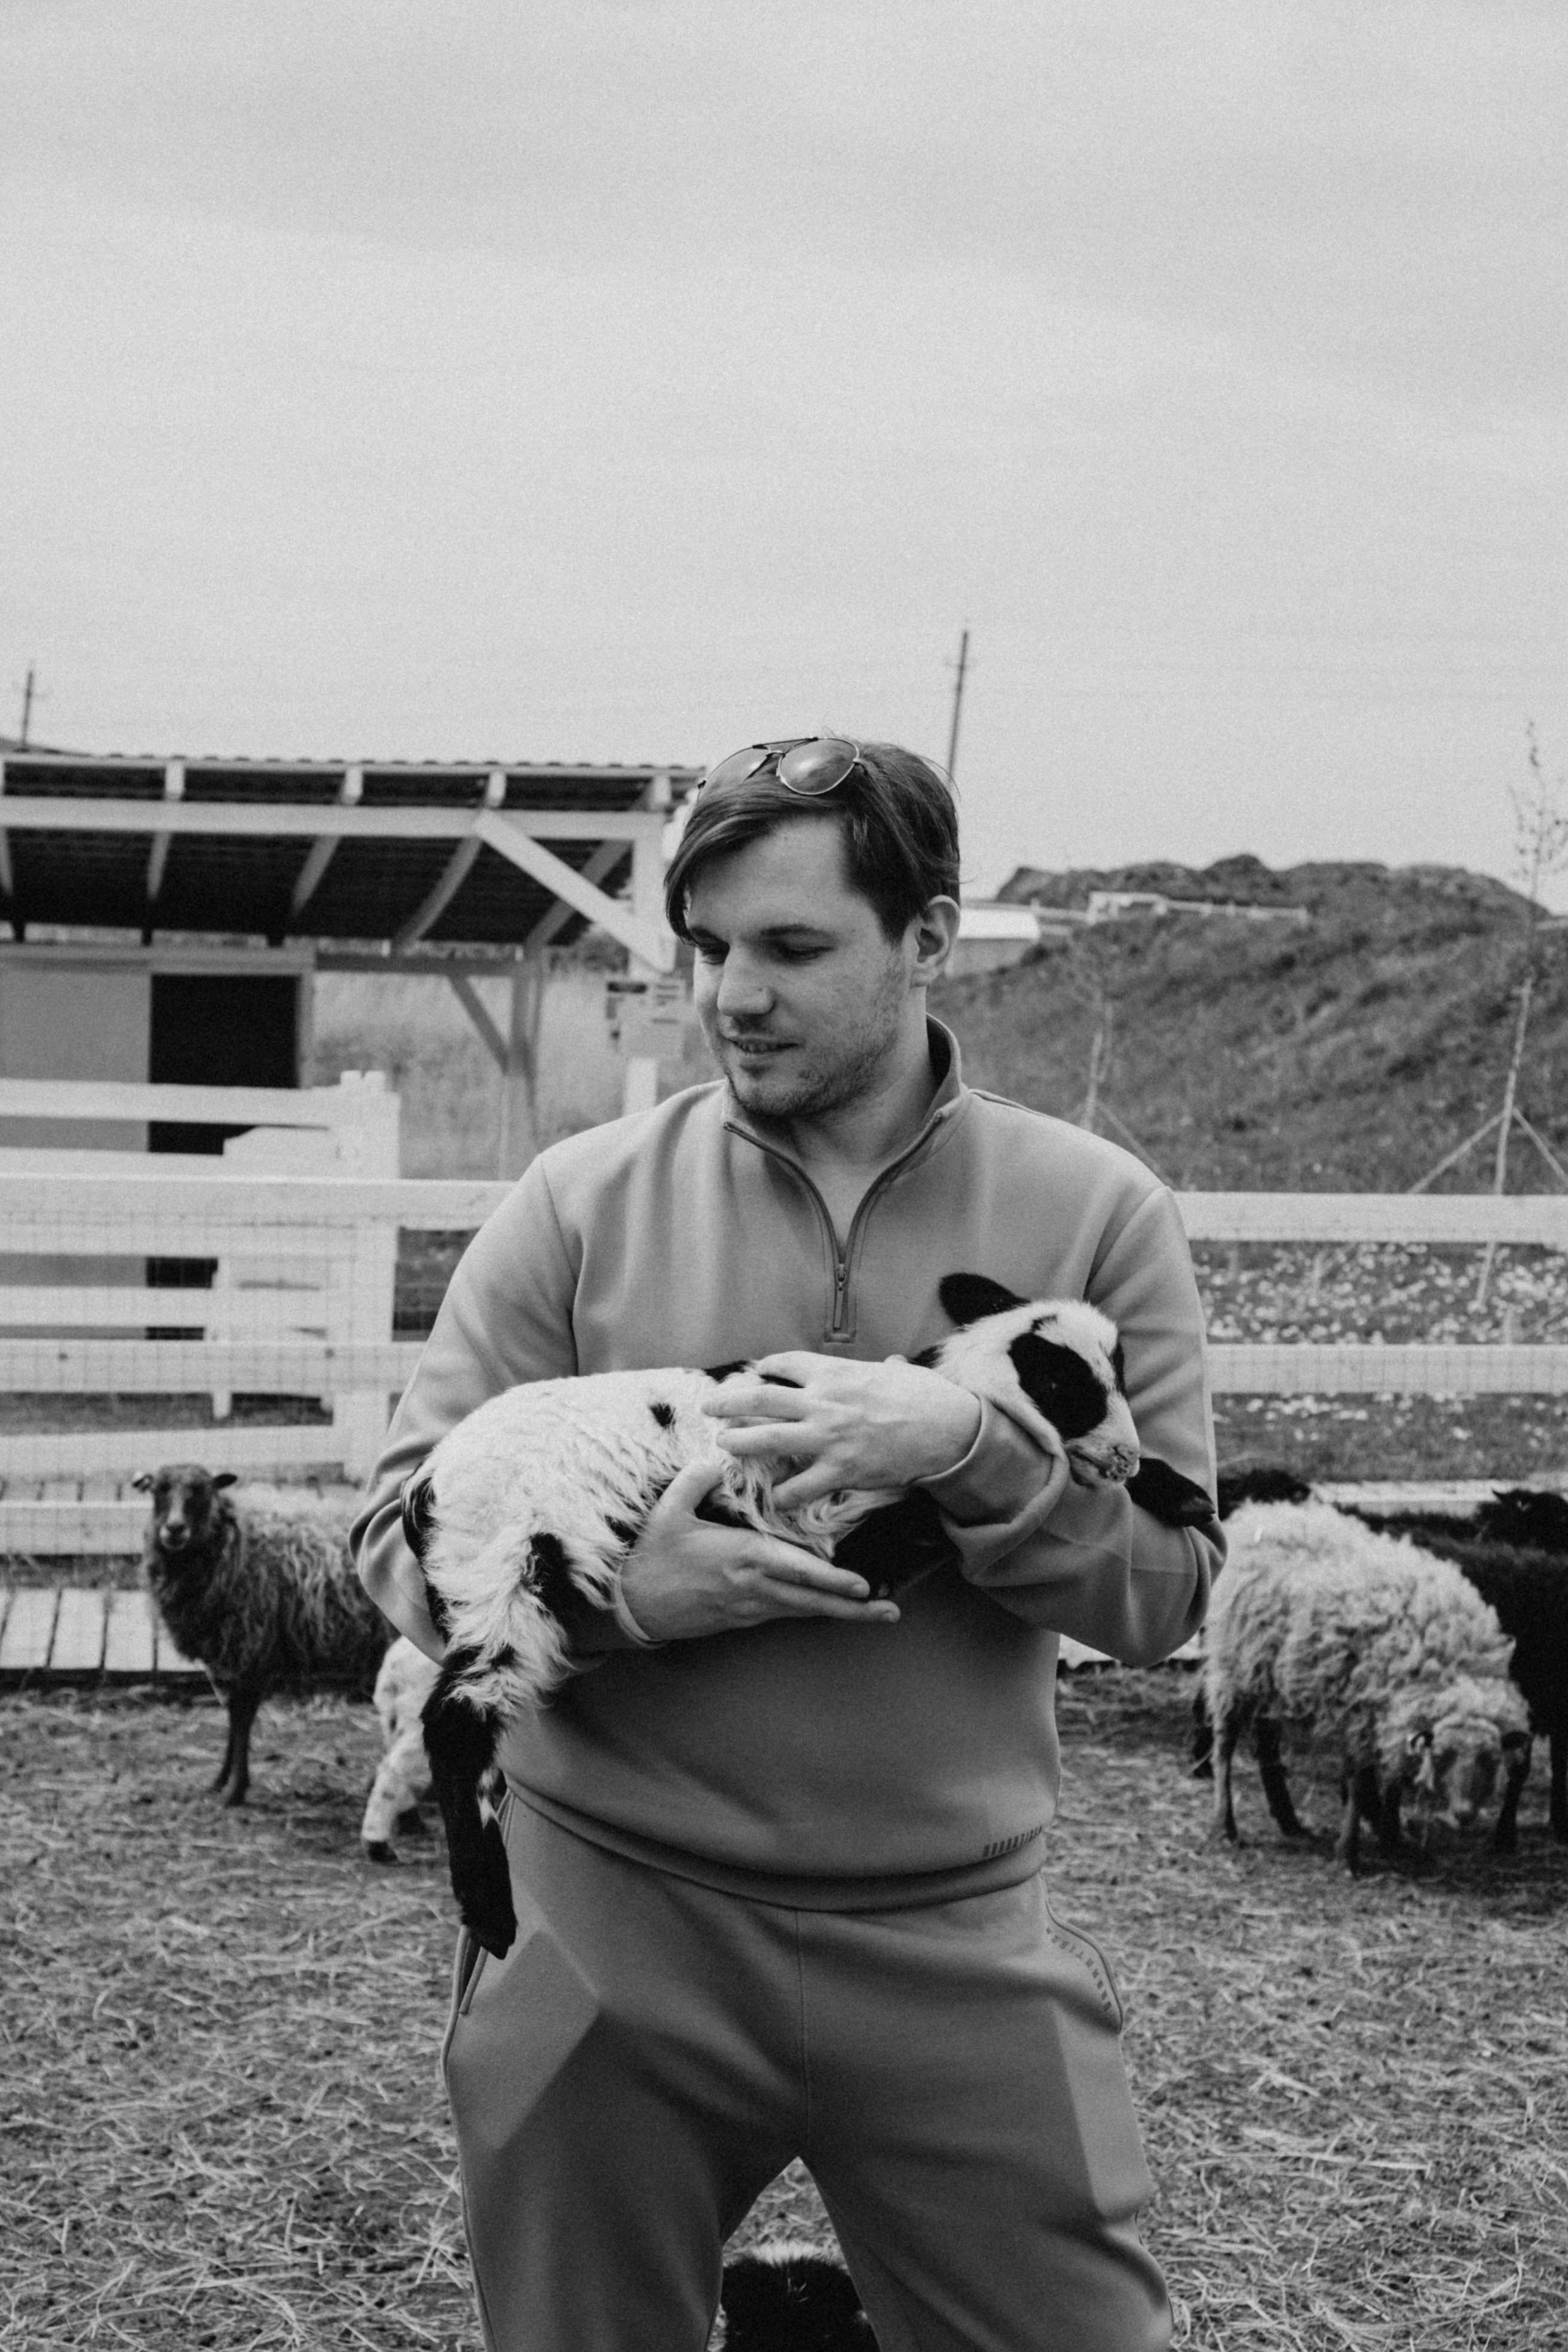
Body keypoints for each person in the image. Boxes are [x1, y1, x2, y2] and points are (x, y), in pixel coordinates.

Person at [352, 734, 1222, 2352]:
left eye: (795, 949)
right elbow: (386, 1543)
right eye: (709, 948)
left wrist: (970, 1450)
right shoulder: (577, 1203)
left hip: (953, 1947)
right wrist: (618, 1602)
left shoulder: (1092, 1215)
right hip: (608, 1939)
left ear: (930, 938)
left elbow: (1170, 1592)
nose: (733, 995)